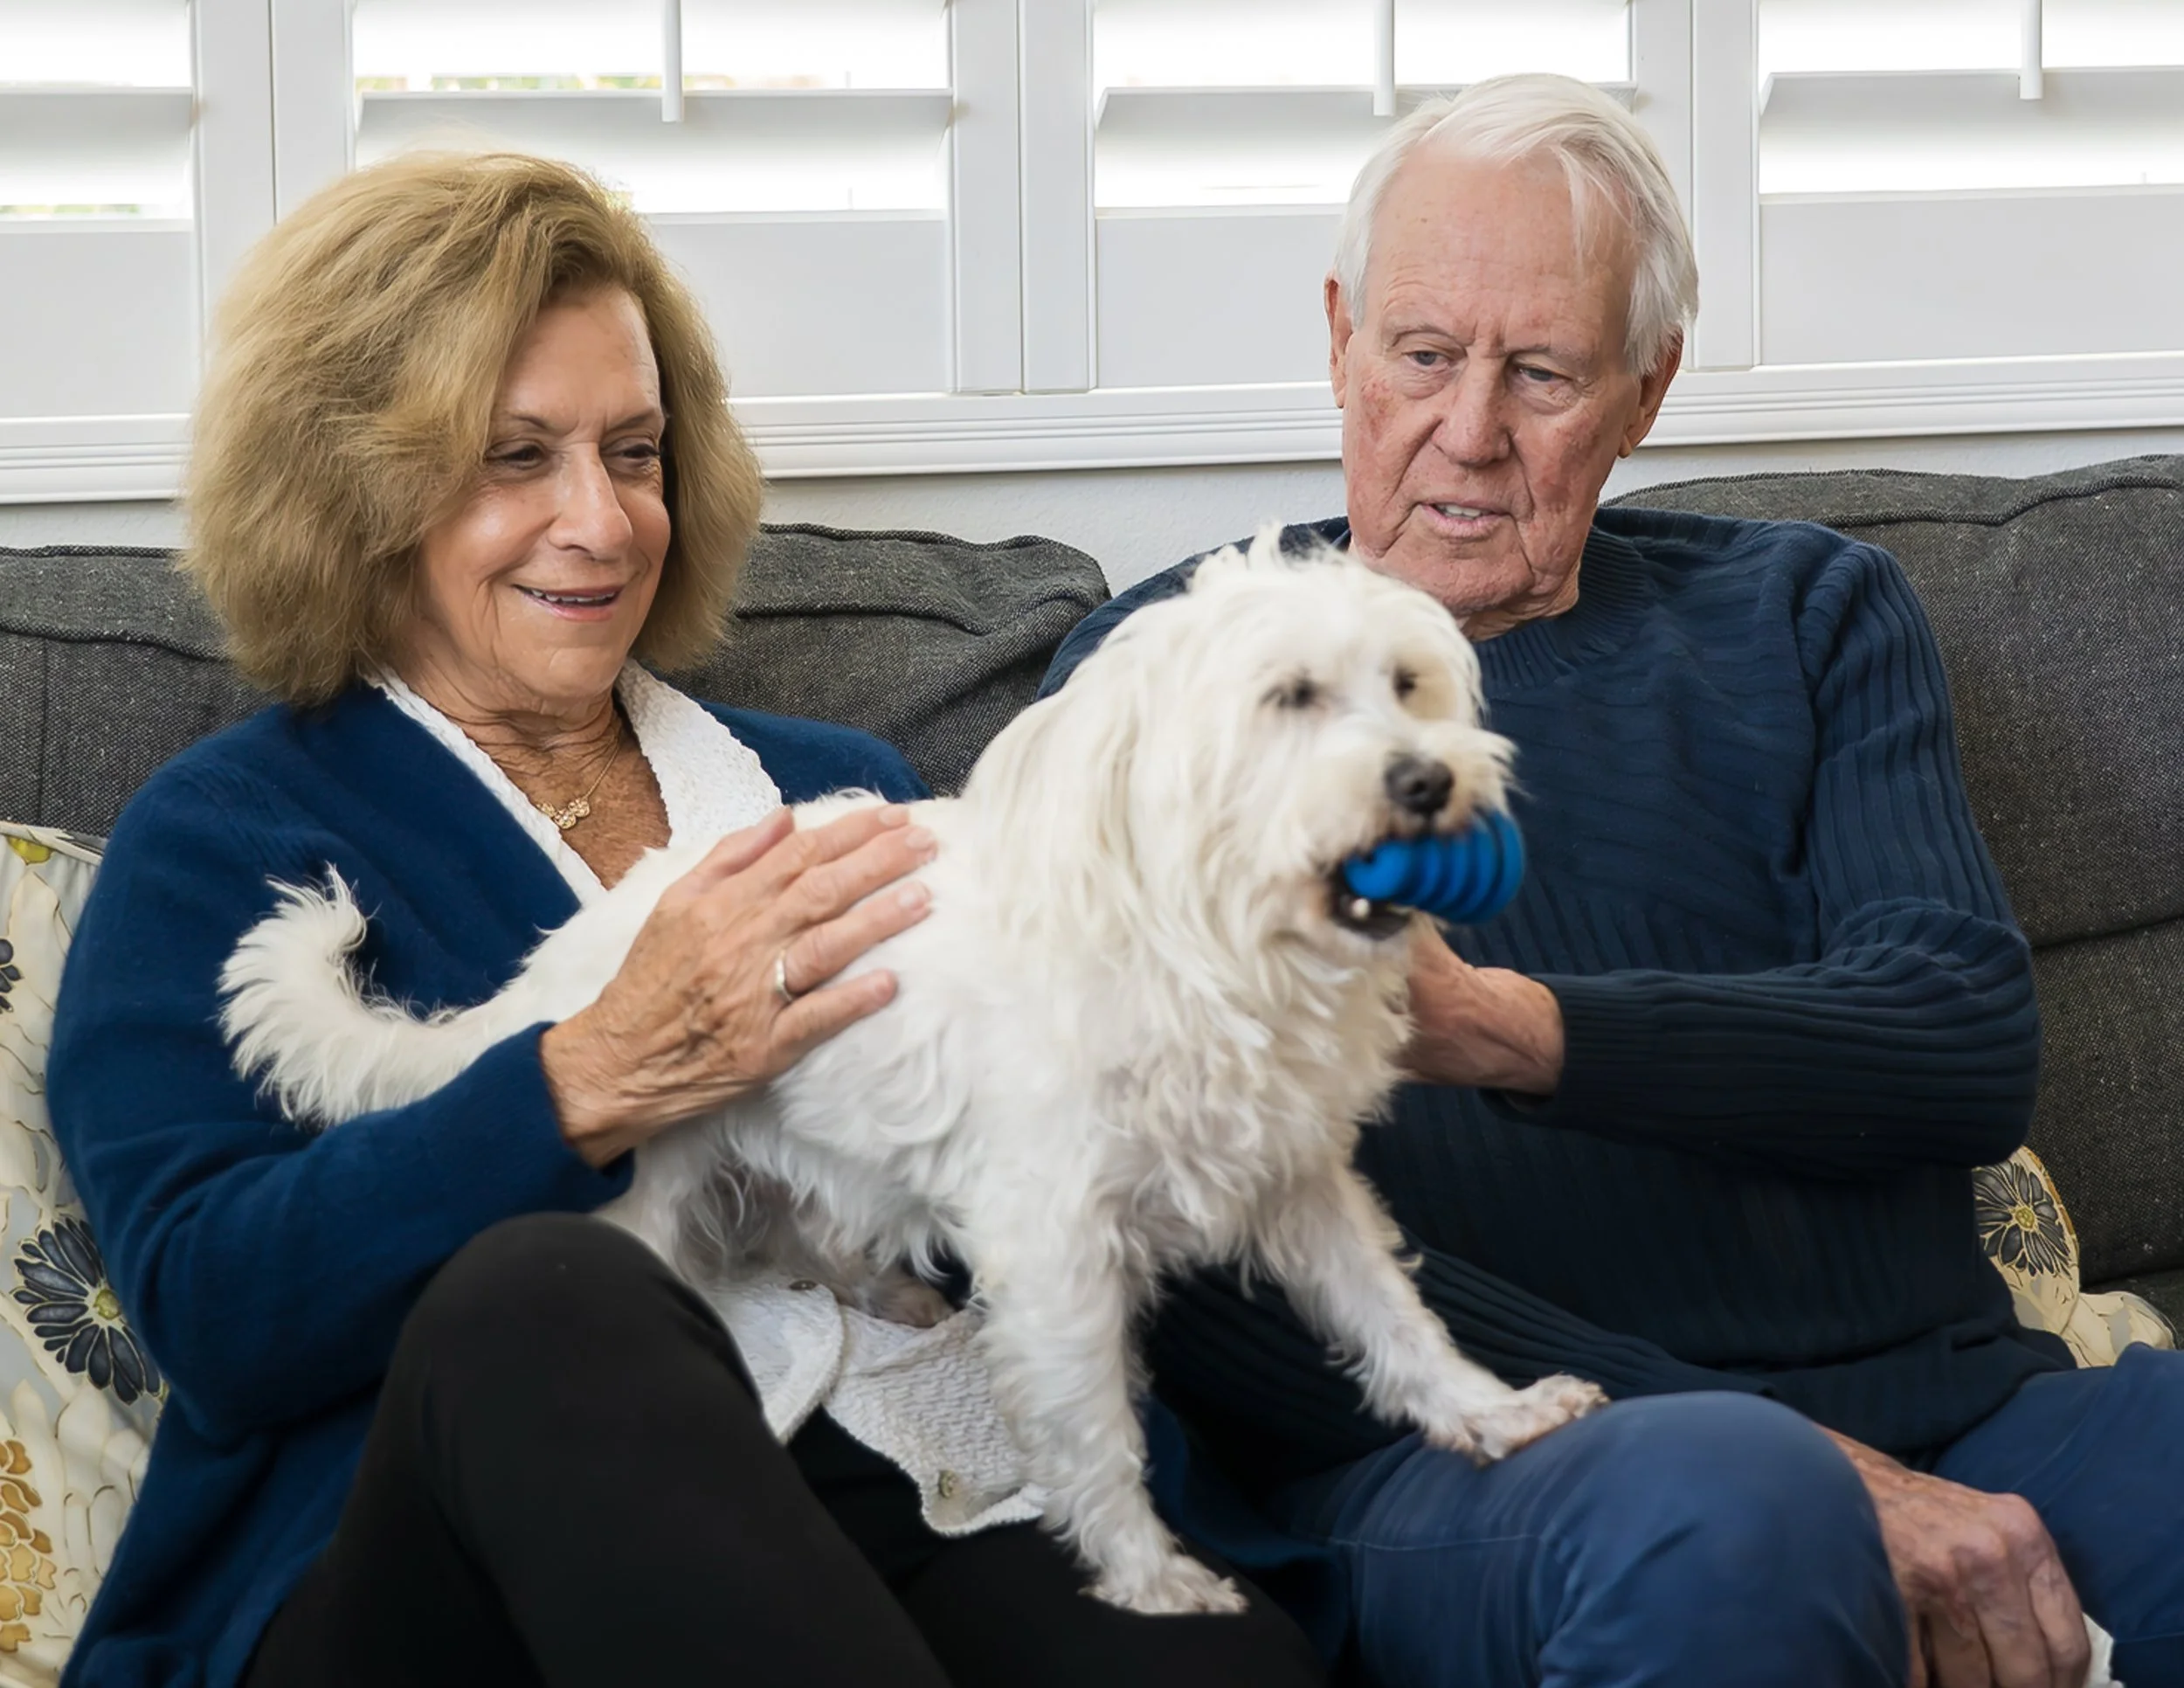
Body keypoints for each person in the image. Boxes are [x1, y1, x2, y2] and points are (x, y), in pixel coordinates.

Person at [46, 151, 1324, 1688]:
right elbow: (215, 1308)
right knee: (543, 1292)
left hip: (902, 1476)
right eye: (515, 457)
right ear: (359, 490)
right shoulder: (226, 834)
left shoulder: (839, 792)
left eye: (635, 453)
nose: (599, 521)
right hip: (441, 1562)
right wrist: (590, 1077)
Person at [1042, 74, 2184, 1688]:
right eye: (1424, 355)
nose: (1469, 429)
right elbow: (1195, 1252)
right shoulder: (1167, 682)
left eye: (1545, 374)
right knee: (1736, 1509)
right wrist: (1788, 1466)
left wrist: (1512, 1029)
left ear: (1644, 394)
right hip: (1488, 1457)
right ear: (1340, 338)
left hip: (1965, 1399)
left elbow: (1961, 1046)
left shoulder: (1809, 614)